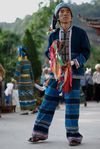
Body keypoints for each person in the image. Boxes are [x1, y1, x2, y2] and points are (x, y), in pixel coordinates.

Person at [28, 2, 90, 146]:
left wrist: (73, 62)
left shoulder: (81, 33)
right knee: (47, 102)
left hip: (73, 75)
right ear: (57, 16)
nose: (64, 13)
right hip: (56, 75)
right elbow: (48, 52)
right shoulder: (53, 34)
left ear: (71, 16)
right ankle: (39, 133)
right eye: (61, 12)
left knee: (72, 105)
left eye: (67, 11)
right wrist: (54, 58)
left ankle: (73, 136)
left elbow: (86, 52)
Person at [14, 46, 37, 114]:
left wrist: (13, 81)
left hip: (22, 82)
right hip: (29, 81)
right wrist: (32, 81)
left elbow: (17, 73)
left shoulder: (20, 62)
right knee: (30, 95)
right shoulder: (28, 62)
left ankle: (25, 110)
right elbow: (31, 72)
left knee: (23, 96)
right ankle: (33, 109)